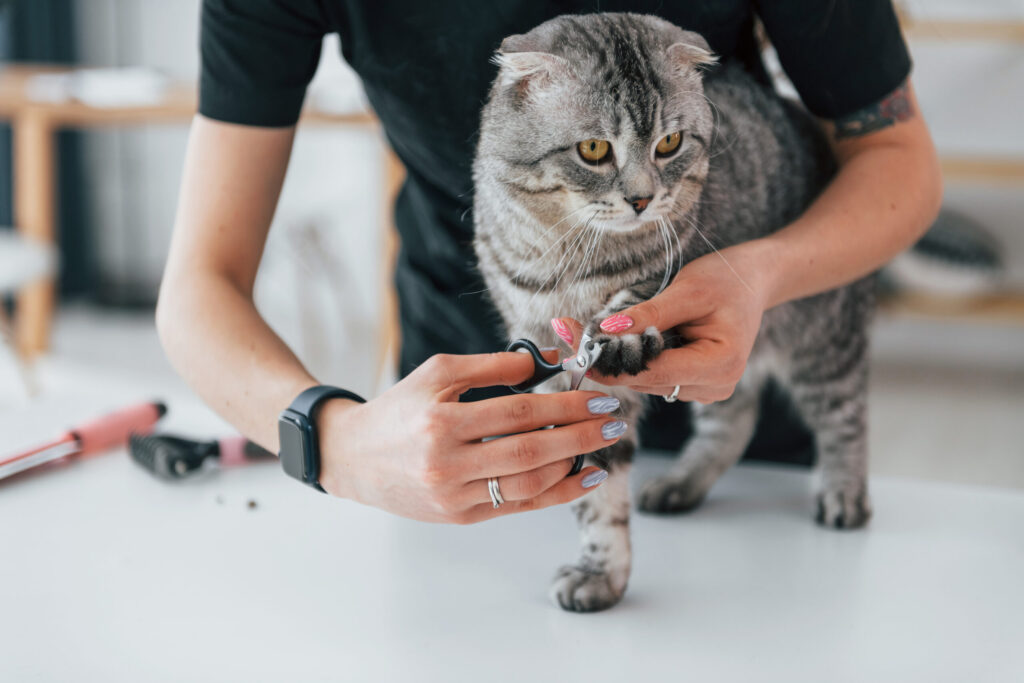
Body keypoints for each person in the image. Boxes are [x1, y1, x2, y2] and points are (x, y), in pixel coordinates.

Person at [157, 1, 941, 523]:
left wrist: (758, 277)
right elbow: (199, 285)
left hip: (742, 387)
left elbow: (901, 161)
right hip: (465, 426)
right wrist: (339, 443)